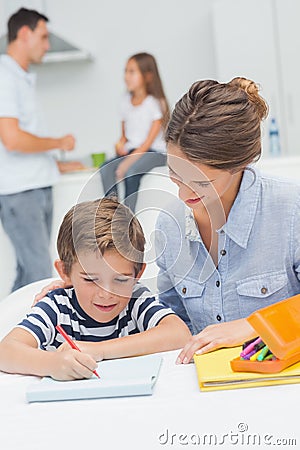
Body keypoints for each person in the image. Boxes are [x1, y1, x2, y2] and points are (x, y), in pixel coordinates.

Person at [156, 77, 300, 363]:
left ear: (239, 164)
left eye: (201, 182)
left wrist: (252, 325)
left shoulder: (290, 208)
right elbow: (169, 322)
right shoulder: (169, 224)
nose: (184, 194)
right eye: (175, 173)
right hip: (202, 389)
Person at [0, 198, 191, 380]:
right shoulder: (57, 306)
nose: (106, 294)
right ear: (65, 272)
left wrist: (99, 350)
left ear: (138, 273)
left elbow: (179, 334)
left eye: (120, 279)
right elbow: (6, 352)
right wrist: (52, 363)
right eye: (91, 280)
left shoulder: (136, 298)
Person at [0, 8, 82, 292]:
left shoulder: (20, 77)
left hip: (35, 185)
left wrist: (56, 164)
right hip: (21, 192)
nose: (47, 45)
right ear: (24, 34)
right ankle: (23, 335)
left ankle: (9, 333)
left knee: (28, 272)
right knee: (36, 272)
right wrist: (58, 143)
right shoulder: (5, 76)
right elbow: (11, 139)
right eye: (43, 37)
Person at [100, 52, 169, 212]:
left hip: (154, 153)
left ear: (148, 76)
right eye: (125, 71)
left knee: (131, 172)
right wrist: (120, 145)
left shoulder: (155, 103)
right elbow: (124, 136)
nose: (126, 76)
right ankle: (112, 213)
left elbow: (148, 142)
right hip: (133, 152)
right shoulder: (125, 102)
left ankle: (128, 217)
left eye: (132, 72)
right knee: (106, 168)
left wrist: (127, 163)